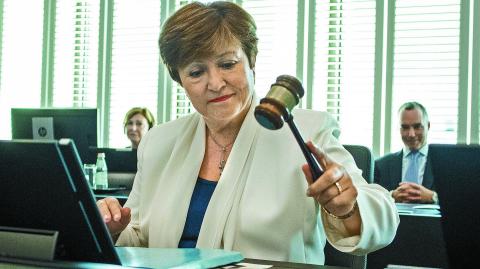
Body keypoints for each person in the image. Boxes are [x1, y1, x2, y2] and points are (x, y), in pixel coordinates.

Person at [97, 1, 399, 265]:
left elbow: (381, 213)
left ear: (252, 60)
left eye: (228, 64)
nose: (215, 83)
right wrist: (110, 226)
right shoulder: (159, 142)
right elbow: (137, 239)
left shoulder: (305, 130)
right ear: (180, 80)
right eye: (196, 72)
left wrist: (348, 208)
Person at [374, 101, 437, 204]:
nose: (411, 134)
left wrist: (433, 197)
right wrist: (391, 196)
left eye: (417, 127)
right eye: (405, 127)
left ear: (428, 126)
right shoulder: (381, 165)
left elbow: (459, 199)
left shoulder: (445, 164)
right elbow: (370, 200)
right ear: (399, 129)